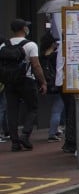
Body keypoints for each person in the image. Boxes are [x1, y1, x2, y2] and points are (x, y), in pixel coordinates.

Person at [2, 18, 46, 151]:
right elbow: (36, 65)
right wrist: (43, 81)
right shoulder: (30, 45)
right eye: (26, 26)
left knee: (12, 111)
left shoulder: (4, 45)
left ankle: (15, 142)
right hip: (27, 80)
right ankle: (25, 134)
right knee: (33, 108)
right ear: (23, 29)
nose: (28, 28)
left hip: (9, 82)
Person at [38, 24, 64, 142]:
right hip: (56, 84)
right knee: (57, 110)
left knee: (52, 110)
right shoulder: (56, 55)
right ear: (53, 43)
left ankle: (56, 129)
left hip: (45, 85)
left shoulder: (41, 56)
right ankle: (52, 133)